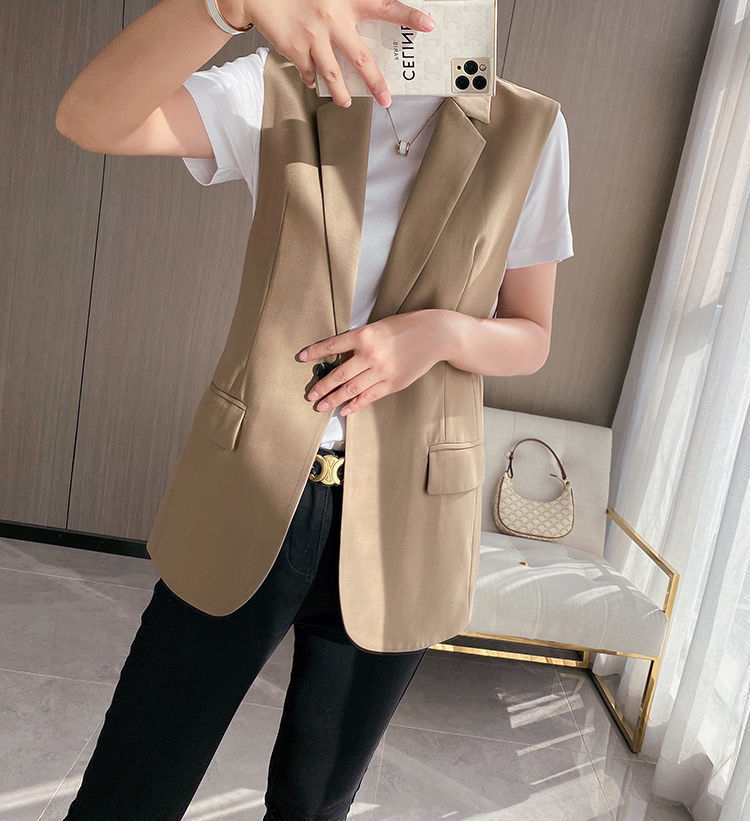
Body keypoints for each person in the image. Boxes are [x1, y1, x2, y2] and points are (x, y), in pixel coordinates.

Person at [55, 0, 573, 817]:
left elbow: (532, 334)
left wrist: (439, 333)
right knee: (131, 789)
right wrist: (227, 6)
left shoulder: (529, 127)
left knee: (314, 804)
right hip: (254, 482)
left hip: (406, 509)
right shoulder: (280, 87)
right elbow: (90, 118)